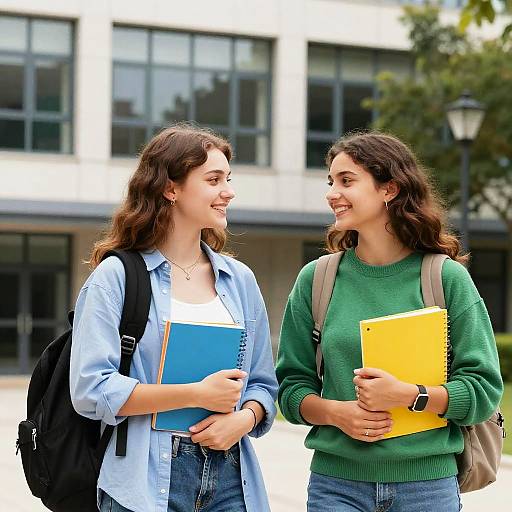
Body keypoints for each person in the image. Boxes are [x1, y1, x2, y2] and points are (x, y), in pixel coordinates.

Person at [276, 132, 503, 512]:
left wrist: (410, 396)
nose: (333, 193)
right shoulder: (317, 280)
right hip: (337, 486)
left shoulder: (446, 278)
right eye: (331, 182)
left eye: (346, 181)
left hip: (427, 488)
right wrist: (337, 413)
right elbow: (291, 388)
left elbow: (482, 391)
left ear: (390, 189)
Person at [70, 124, 278, 512]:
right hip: (145, 480)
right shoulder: (116, 277)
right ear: (171, 188)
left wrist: (245, 419)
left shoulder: (240, 281)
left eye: (228, 179)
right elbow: (91, 390)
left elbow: (264, 384)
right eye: (213, 180)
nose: (228, 191)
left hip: (232, 476)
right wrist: (195, 394)